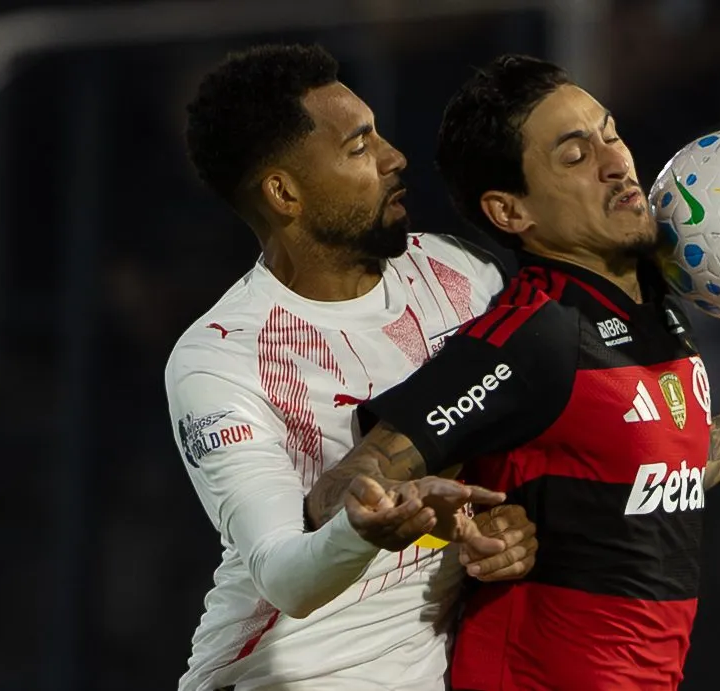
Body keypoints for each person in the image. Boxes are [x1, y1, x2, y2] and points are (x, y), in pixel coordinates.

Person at [306, 54, 720, 690]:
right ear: (511, 212)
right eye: (575, 157)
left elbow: (660, 473)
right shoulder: (537, 333)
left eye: (610, 133)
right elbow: (344, 486)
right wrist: (403, 515)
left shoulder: (653, 304)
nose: (616, 164)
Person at [168, 44, 537, 691]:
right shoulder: (221, 358)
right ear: (285, 192)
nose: (394, 156)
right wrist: (360, 530)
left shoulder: (463, 276)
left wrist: (492, 531)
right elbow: (284, 575)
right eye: (359, 146)